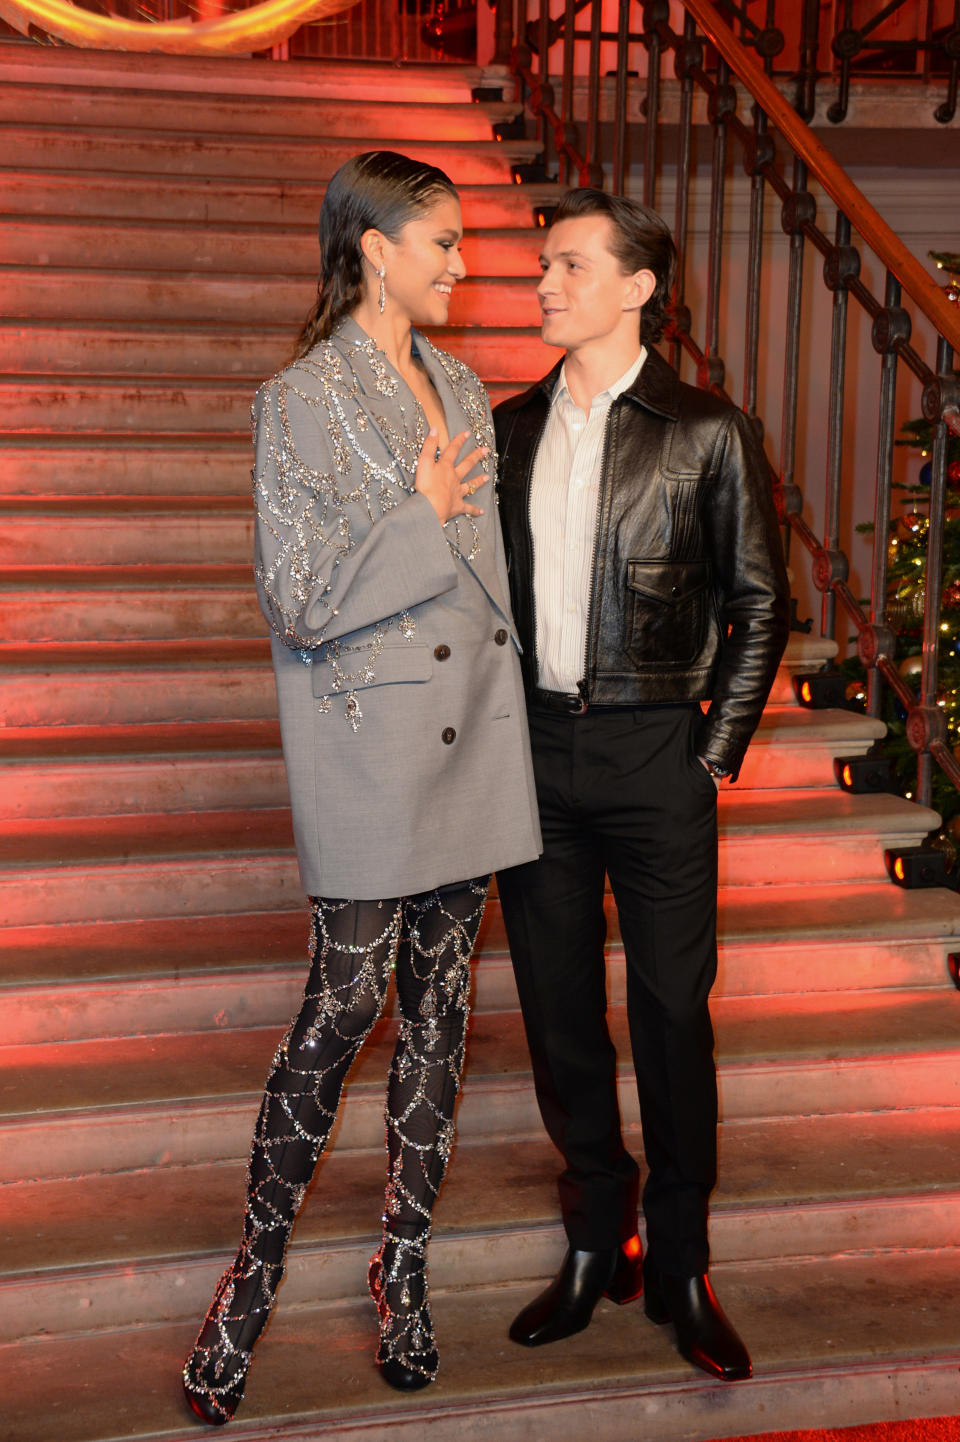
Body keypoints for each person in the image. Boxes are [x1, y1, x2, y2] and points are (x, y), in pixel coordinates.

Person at [181, 150, 541, 1426]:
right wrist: (418, 513)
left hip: (474, 740)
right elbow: (299, 596)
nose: (463, 265)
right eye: (442, 243)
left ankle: (402, 1266)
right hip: (370, 747)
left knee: (441, 1014)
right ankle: (254, 1269)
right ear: (375, 249)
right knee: (339, 1013)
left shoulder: (462, 383)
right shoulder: (297, 401)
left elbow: (488, 580)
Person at [493, 188, 790, 1383]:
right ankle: (590, 1240)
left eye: (569, 265)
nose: (545, 282)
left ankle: (678, 1258)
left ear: (636, 288)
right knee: (563, 1018)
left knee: (671, 1012)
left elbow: (761, 602)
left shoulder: (708, 430)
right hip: (535, 761)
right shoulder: (508, 427)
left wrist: (711, 753)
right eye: (544, 264)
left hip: (658, 751)